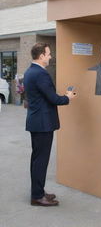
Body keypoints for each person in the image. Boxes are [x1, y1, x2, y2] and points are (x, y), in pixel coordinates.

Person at [24, 42, 76, 206]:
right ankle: (37, 197)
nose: (50, 56)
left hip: (36, 122)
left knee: (36, 159)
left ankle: (38, 191)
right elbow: (53, 99)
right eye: (49, 54)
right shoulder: (41, 74)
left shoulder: (29, 71)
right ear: (41, 56)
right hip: (43, 123)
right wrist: (68, 97)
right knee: (41, 160)